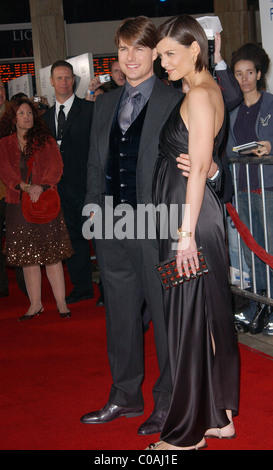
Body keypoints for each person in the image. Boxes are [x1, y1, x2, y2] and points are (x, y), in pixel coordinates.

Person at [81, 16, 183, 435]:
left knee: (164, 317)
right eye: (124, 49)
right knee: (120, 318)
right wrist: (92, 214)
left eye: (139, 48)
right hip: (111, 225)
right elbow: (93, 164)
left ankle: (169, 400)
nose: (131, 56)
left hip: (155, 223)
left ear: (155, 53)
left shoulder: (175, 98)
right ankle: (124, 395)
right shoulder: (103, 104)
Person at [147, 14, 240, 450]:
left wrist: (183, 237)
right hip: (189, 219)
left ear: (195, 50)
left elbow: (200, 168)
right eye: (160, 54)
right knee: (202, 317)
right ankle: (219, 418)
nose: (162, 62)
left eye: (169, 54)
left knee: (186, 320)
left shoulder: (202, 95)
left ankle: (187, 434)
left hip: (190, 225)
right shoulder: (201, 90)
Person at [0, 98, 73, 320]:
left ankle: (61, 302)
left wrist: (40, 187)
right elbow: (5, 170)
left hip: (45, 203)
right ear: (13, 118)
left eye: (30, 113)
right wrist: (24, 187)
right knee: (28, 258)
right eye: (22, 113)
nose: (27, 117)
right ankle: (35, 304)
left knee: (52, 256)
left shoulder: (46, 141)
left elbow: (57, 168)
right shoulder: (4, 144)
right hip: (17, 205)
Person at [226, 43, 273, 336]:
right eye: (239, 74)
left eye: (249, 73)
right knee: (248, 251)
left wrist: (271, 147)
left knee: (268, 249)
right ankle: (258, 304)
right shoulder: (232, 110)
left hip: (267, 189)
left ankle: (270, 306)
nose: (244, 79)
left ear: (258, 74)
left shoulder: (270, 105)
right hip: (241, 188)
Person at [43, 60, 95, 305]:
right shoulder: (43, 118)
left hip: (88, 187)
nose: (64, 82)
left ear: (73, 80)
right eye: (59, 78)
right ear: (51, 82)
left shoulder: (89, 110)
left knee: (99, 239)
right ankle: (82, 287)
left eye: (67, 78)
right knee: (73, 239)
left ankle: (108, 289)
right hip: (60, 190)